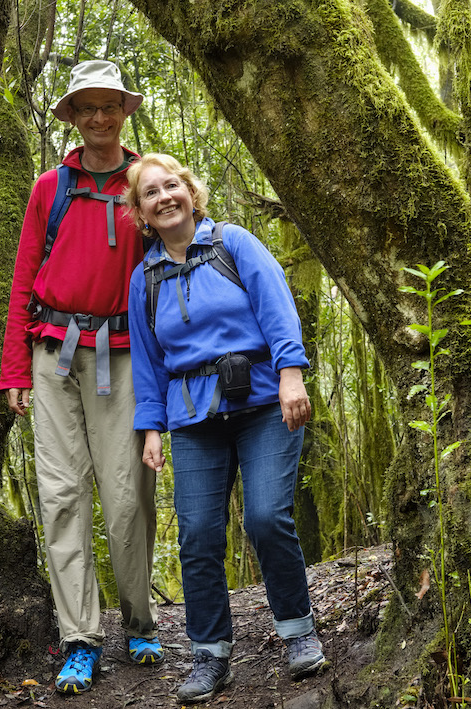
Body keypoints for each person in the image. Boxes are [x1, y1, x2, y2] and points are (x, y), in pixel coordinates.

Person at [125, 153, 326, 704]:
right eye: (151, 193)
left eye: (172, 186)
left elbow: (277, 308)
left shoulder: (233, 244)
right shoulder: (144, 278)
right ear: (140, 211)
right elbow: (147, 364)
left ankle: (298, 631)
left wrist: (291, 376)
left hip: (264, 404)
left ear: (191, 192)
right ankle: (210, 655)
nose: (164, 197)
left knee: (265, 517)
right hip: (193, 418)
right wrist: (151, 430)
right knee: (197, 534)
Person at [0, 61, 162, 696]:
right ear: (73, 116)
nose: (99, 118)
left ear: (125, 111)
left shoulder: (147, 182)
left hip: (124, 354)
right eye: (87, 108)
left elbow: (172, 265)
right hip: (53, 357)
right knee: (61, 495)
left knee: (127, 497)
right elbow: (22, 279)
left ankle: (141, 621)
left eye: (109, 106)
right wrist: (15, 368)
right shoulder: (50, 187)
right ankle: (79, 637)